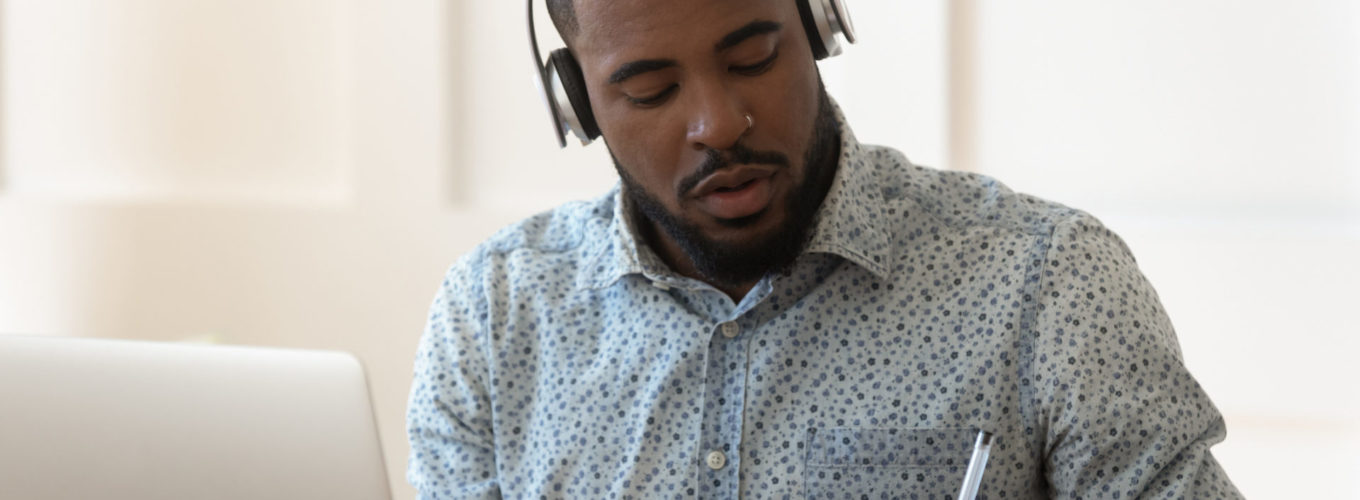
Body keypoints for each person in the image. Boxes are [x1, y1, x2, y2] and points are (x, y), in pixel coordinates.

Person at [406, 0, 1244, 498]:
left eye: (754, 56)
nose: (718, 124)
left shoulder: (1048, 283)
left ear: (816, 23)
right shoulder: (493, 316)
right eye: (651, 90)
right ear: (578, 105)